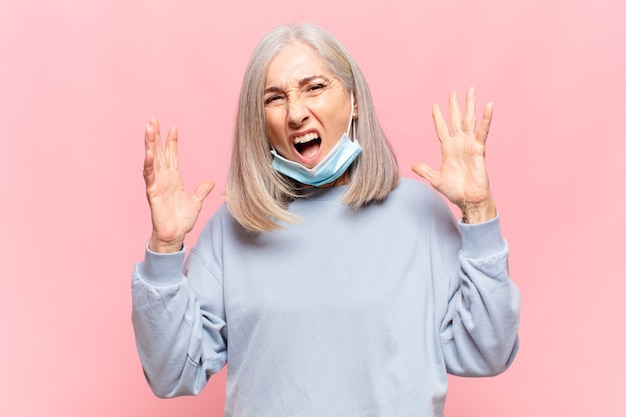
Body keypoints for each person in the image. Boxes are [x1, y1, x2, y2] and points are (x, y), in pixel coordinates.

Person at [132, 22, 520, 417]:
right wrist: (164, 248)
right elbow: (170, 374)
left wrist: (478, 212)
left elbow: (489, 352)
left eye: (314, 87)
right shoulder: (230, 230)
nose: (296, 113)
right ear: (260, 122)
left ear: (353, 102)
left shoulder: (420, 213)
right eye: (274, 98)